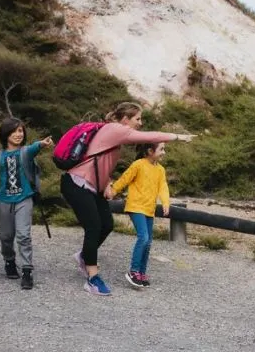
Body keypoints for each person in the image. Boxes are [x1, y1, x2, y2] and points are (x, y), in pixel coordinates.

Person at [62, 102, 194, 296]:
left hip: (93, 187)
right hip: (77, 183)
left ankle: (84, 256)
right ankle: (92, 278)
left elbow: (101, 163)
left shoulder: (113, 136)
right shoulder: (115, 129)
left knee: (107, 224)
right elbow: (149, 137)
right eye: (137, 119)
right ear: (125, 119)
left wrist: (108, 185)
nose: (140, 123)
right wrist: (177, 136)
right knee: (94, 227)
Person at [0, 118, 53, 290]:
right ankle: (9, 261)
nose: (18, 134)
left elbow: (34, 148)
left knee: (23, 235)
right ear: (5, 134)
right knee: (6, 237)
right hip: (3, 201)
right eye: (14, 131)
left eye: (21, 131)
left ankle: (27, 271)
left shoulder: (25, 152)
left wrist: (42, 144)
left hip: (24, 199)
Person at [108, 142, 170, 289]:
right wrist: (113, 190)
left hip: (149, 209)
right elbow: (125, 179)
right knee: (143, 237)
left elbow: (163, 186)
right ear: (150, 151)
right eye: (161, 149)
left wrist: (166, 202)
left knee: (148, 242)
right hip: (136, 206)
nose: (164, 152)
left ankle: (141, 273)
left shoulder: (160, 170)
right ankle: (133, 271)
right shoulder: (138, 164)